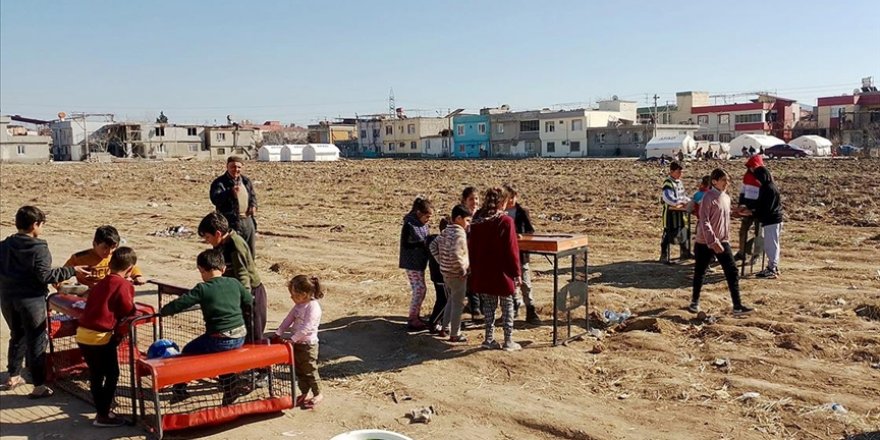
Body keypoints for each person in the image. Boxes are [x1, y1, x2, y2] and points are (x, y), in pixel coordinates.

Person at [0, 206, 87, 397]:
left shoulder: (4, 245)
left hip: (7, 299)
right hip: (31, 300)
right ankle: (39, 385)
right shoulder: (38, 247)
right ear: (35, 225)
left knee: (17, 335)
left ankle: (13, 375)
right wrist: (72, 270)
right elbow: (44, 276)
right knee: (37, 340)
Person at [159, 249, 253, 405]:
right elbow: (249, 299)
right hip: (240, 336)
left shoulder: (202, 288)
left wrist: (164, 311)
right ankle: (230, 389)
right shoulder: (234, 282)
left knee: (189, 351)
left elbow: (181, 302)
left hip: (219, 339)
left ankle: (180, 390)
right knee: (222, 359)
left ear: (201, 270)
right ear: (223, 268)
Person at [75, 247, 138, 427]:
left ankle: (102, 410)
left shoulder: (101, 283)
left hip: (83, 334)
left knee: (96, 374)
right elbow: (127, 309)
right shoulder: (124, 284)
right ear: (130, 268)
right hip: (100, 337)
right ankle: (103, 415)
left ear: (110, 265)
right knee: (112, 374)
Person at [689, 168, 754, 316]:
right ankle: (694, 302)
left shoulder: (726, 197)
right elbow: (704, 221)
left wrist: (736, 212)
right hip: (705, 242)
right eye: (724, 180)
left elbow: (724, 213)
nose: (727, 183)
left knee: (732, 271)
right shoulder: (707, 197)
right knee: (700, 272)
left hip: (723, 241)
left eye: (728, 180)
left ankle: (737, 306)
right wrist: (713, 241)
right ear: (714, 181)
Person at [198, 212, 267, 342]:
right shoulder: (220, 245)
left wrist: (244, 300)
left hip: (251, 294)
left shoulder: (235, 245)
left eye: (207, 237)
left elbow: (242, 274)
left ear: (218, 234)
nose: (207, 241)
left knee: (253, 338)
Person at [469, 188, 522, 351]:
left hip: (484, 270)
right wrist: (516, 273)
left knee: (489, 307)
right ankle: (508, 340)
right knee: (507, 306)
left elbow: (472, 247)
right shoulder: (505, 221)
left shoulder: (478, 220)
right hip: (502, 272)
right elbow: (512, 250)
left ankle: (489, 339)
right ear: (501, 202)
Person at [273, 275, 324, 409]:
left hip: (308, 345)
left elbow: (307, 328)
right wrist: (278, 332)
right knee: (300, 370)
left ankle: (318, 393)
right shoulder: (298, 306)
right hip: (296, 344)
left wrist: (292, 339)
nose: (291, 298)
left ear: (305, 294)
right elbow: (288, 319)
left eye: (294, 295)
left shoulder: (313, 307)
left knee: (310, 370)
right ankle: (304, 392)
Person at [429, 204, 472, 343]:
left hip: (446, 273)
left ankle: (444, 327)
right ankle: (455, 333)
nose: (468, 224)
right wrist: (463, 269)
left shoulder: (445, 231)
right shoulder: (459, 233)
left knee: (451, 301)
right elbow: (456, 253)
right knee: (458, 304)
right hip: (457, 275)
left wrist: (441, 262)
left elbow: (432, 246)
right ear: (459, 218)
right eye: (467, 220)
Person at [63, 225, 147, 290]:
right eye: (105, 248)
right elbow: (62, 275)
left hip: (110, 291)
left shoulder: (116, 256)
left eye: (113, 247)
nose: (109, 252)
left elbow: (129, 267)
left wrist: (137, 276)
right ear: (94, 244)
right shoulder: (79, 258)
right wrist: (65, 287)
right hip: (87, 293)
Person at [502, 183, 539, 325]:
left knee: (525, 282)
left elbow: (530, 230)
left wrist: (521, 236)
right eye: (508, 198)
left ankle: (531, 310)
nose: (511, 201)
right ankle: (512, 309)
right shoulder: (501, 212)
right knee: (509, 283)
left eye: (513, 197)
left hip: (521, 254)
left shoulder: (522, 211)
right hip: (505, 254)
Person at [210, 156, 258, 258]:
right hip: (229, 222)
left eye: (239, 167)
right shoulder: (220, 183)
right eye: (233, 167)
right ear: (227, 167)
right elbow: (215, 199)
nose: (236, 169)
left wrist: (253, 206)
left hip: (247, 221)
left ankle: (248, 272)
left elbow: (253, 196)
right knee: (230, 252)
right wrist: (230, 193)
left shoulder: (245, 181)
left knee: (249, 252)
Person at [399, 196, 433, 331]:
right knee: (419, 290)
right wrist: (423, 244)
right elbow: (406, 244)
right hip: (411, 262)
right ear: (419, 213)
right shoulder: (409, 225)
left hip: (419, 262)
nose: (429, 219)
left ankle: (416, 316)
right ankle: (412, 319)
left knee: (421, 289)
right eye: (427, 216)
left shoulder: (422, 224)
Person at [751, 167, 784, 279]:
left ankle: (772, 268)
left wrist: (754, 213)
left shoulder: (767, 188)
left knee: (771, 245)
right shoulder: (770, 186)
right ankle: (773, 266)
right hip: (775, 219)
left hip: (771, 220)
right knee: (773, 244)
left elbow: (766, 207)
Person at [659, 162, 692, 263]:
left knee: (684, 231)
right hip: (670, 214)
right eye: (678, 171)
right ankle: (664, 255)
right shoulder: (668, 183)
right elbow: (668, 198)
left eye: (681, 171)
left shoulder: (679, 182)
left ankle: (685, 252)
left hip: (680, 213)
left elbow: (683, 195)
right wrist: (679, 202)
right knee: (668, 234)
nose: (680, 174)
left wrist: (688, 201)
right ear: (672, 171)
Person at [734, 154, 765, 265]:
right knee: (743, 231)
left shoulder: (763, 177)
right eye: (750, 167)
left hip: (759, 209)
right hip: (747, 208)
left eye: (754, 166)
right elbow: (743, 191)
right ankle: (742, 253)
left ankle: (756, 255)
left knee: (759, 233)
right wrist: (741, 204)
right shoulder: (747, 176)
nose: (752, 169)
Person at [460, 187, 482, 319]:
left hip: (479, 253)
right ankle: (475, 309)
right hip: (465, 252)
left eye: (476, 198)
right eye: (471, 199)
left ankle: (479, 308)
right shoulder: (462, 215)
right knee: (470, 281)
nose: (474, 202)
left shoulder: (481, 214)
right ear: (464, 201)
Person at [425, 221, 447, 334]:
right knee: (445, 301)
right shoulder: (441, 242)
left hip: (437, 276)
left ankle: (439, 322)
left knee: (442, 300)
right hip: (441, 278)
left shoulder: (434, 240)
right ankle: (434, 322)